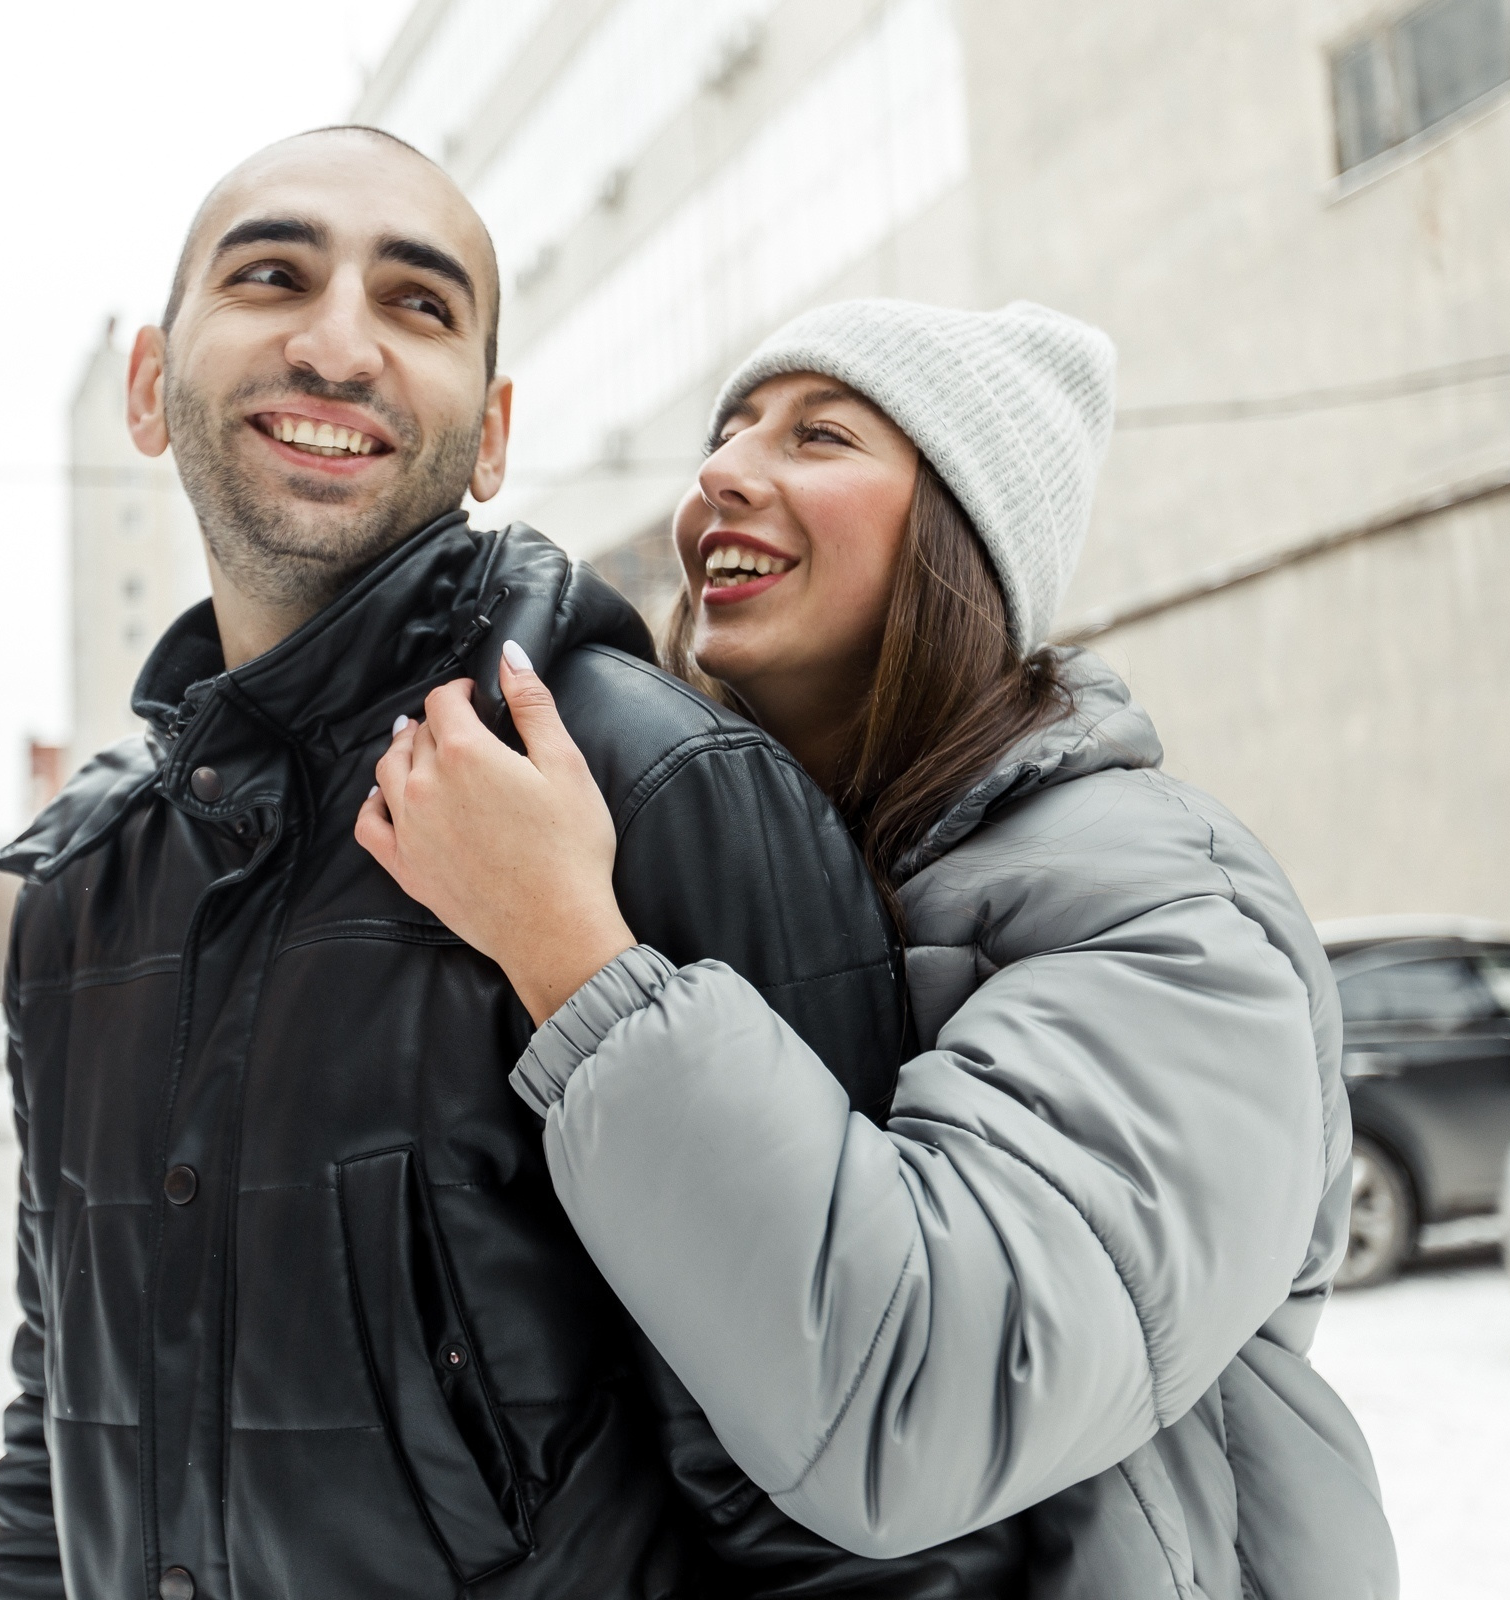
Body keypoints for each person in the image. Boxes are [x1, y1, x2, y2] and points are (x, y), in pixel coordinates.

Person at [0, 131, 1025, 1599]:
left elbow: (854, 1527)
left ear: (492, 434)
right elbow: (53, 1440)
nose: (338, 343)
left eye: (417, 305)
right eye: (273, 274)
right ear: (151, 387)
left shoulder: (658, 794)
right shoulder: (85, 888)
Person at [357, 298, 1399, 1599]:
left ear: (963, 537)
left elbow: (924, 1400)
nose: (720, 474)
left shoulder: (1165, 914)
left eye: (821, 436)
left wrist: (569, 951)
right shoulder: (750, 857)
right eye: (730, 432)